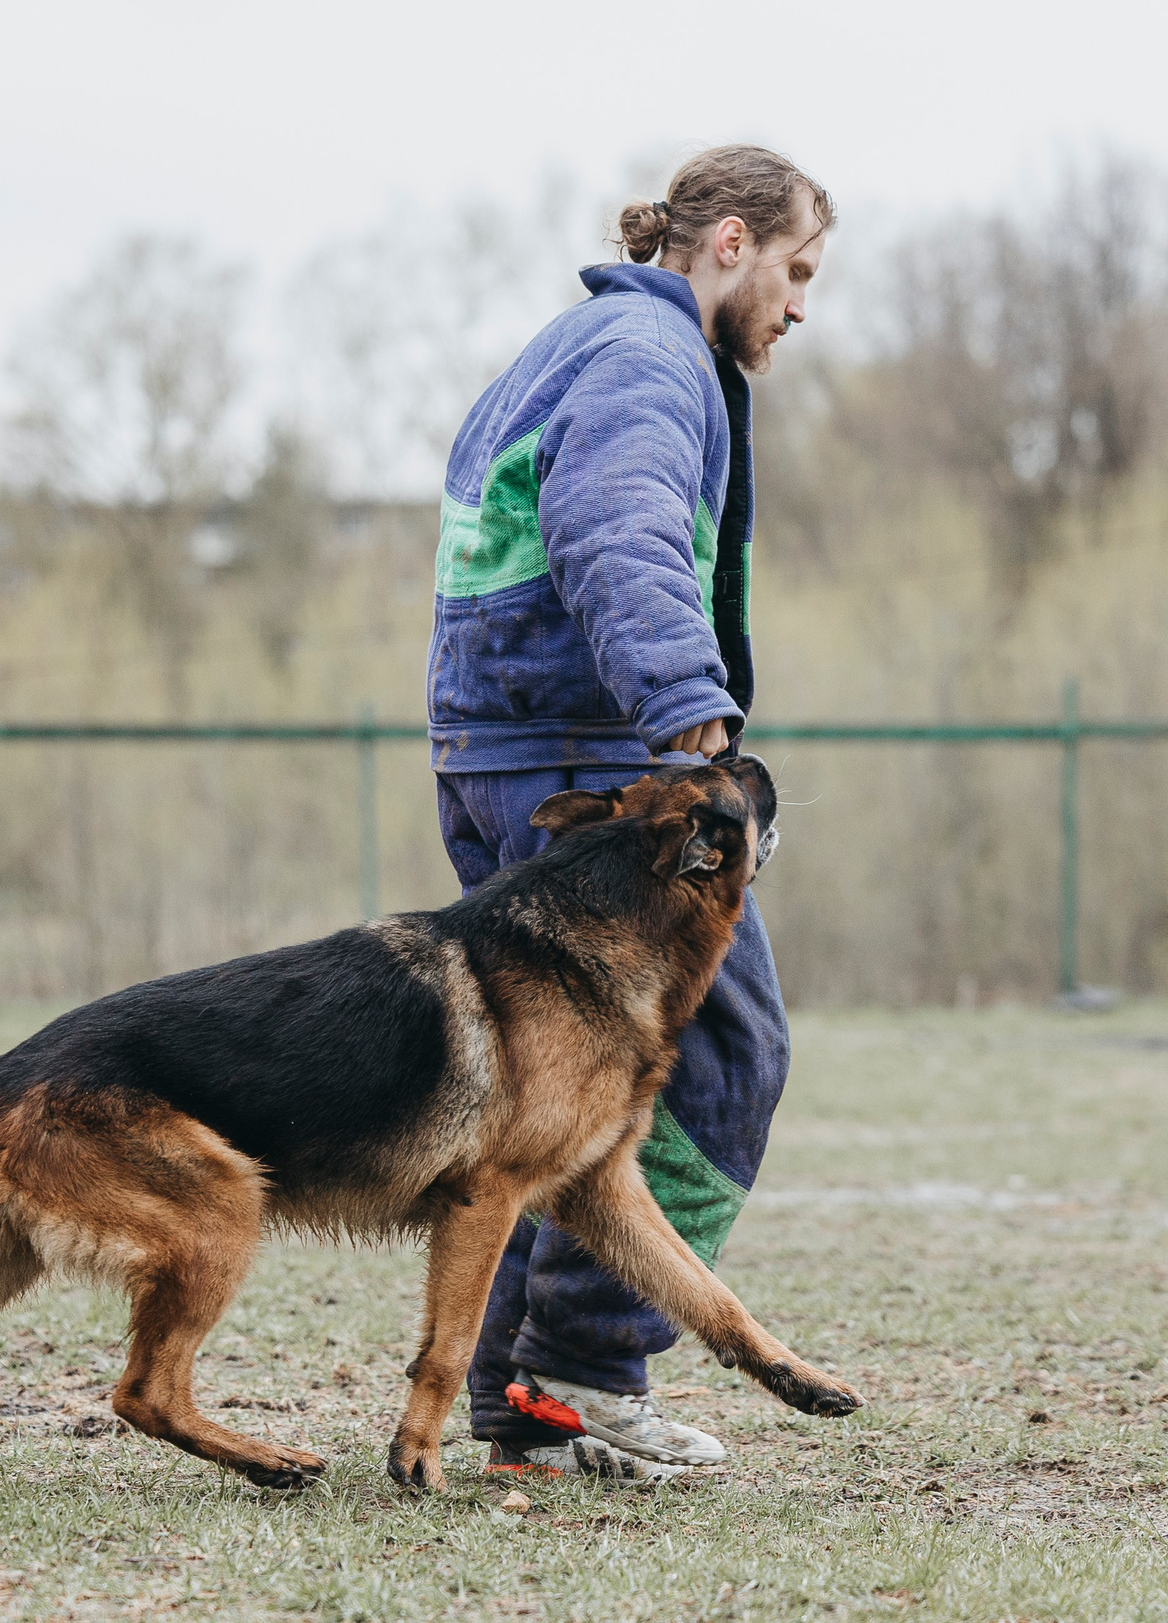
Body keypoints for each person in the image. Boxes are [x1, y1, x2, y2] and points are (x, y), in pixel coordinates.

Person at [423, 144, 833, 1480]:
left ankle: (528, 1399)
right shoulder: (651, 363)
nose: (801, 307)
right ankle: (585, 1370)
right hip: (591, 779)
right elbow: (615, 518)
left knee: (558, 1103)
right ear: (728, 243)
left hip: (507, 760)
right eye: (797, 270)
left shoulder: (576, 345)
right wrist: (692, 721)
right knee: (726, 1059)